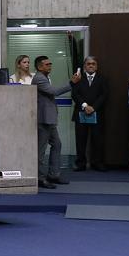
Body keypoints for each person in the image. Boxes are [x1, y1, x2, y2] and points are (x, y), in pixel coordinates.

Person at [33, 55, 80, 189]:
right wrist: (71, 83)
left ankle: (53, 174)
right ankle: (40, 178)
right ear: (39, 67)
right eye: (47, 64)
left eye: (50, 64)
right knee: (41, 150)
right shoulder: (39, 78)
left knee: (57, 144)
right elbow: (55, 92)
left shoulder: (45, 77)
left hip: (49, 119)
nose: (50, 66)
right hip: (43, 119)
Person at [71, 56, 109, 171]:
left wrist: (93, 107)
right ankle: (81, 164)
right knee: (80, 140)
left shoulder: (102, 79)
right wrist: (85, 106)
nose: (91, 66)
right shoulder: (78, 78)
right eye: (88, 64)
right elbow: (75, 94)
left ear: (96, 66)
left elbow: (104, 95)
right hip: (81, 113)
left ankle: (97, 163)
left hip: (97, 113)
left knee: (97, 140)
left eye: (93, 64)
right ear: (84, 66)